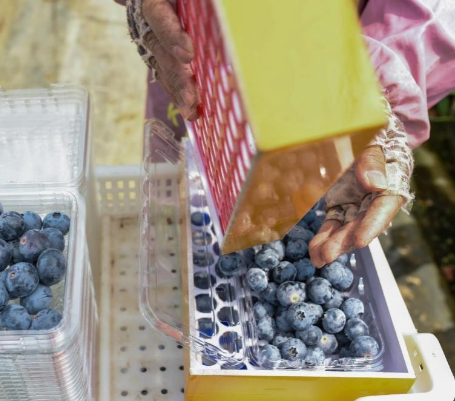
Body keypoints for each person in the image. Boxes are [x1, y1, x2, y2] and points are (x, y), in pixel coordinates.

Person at [121, 0, 455, 266]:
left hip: (323, 81)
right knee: (178, 185)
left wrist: (368, 97)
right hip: (204, 62)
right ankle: (172, 245)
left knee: (281, 198)